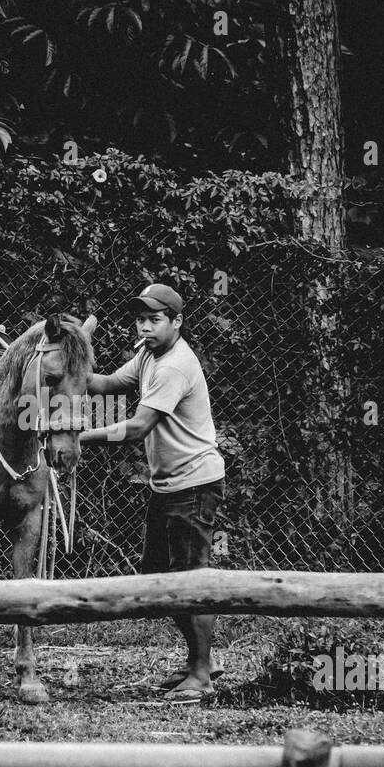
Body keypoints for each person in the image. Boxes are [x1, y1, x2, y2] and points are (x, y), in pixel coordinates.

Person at [80, 283, 226, 701]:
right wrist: (67, 369)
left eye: (154, 319)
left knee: (190, 581)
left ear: (177, 321)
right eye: (140, 319)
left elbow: (139, 427)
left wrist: (80, 437)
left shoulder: (173, 366)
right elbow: (106, 383)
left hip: (194, 484)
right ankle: (204, 660)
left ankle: (201, 676)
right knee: (160, 579)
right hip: (168, 486)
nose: (145, 327)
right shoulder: (148, 355)